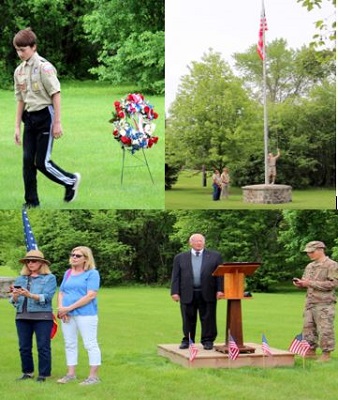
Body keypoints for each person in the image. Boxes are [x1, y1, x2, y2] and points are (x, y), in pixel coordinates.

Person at [13, 28, 80, 208]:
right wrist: (17, 127)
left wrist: (57, 122)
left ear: (33, 47)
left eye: (23, 49)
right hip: (30, 119)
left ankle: (71, 180)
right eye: (17, 50)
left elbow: (56, 93)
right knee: (28, 163)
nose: (20, 53)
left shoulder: (44, 67)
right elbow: (20, 99)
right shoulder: (19, 71)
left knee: (41, 162)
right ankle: (32, 202)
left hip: (46, 116)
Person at [9, 249, 57, 382]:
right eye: (28, 261)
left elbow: (47, 297)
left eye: (34, 261)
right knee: (24, 346)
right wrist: (15, 296)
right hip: (22, 317)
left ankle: (43, 374)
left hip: (42, 317)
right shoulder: (20, 278)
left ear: (42, 263)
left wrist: (29, 295)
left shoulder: (49, 278)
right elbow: (13, 302)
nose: (30, 263)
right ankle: (27, 372)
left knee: (43, 346)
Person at [171, 234, 224, 350]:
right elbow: (175, 276)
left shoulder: (215, 256)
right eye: (196, 241)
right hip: (187, 292)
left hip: (208, 292)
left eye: (201, 241)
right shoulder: (180, 258)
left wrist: (220, 290)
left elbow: (220, 276)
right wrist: (174, 291)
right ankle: (188, 340)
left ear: (204, 242)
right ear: (190, 243)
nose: (198, 243)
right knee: (188, 318)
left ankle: (208, 340)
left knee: (208, 317)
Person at [57, 246, 101, 385]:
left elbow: (91, 295)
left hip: (86, 314)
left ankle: (93, 377)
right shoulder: (68, 273)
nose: (74, 257)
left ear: (86, 259)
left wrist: (69, 308)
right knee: (70, 343)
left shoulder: (92, 274)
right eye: (73, 255)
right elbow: (61, 292)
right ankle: (71, 374)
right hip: (67, 315)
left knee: (90, 344)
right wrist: (61, 309)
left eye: (78, 255)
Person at [293, 241, 338, 362]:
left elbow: (333, 284)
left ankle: (326, 354)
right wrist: (300, 283)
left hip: (324, 303)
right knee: (308, 328)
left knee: (325, 329)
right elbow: (306, 281)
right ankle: (310, 350)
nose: (309, 254)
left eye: (311, 252)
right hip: (310, 302)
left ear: (320, 250)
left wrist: (310, 283)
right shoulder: (310, 266)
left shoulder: (332, 265)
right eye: (308, 252)